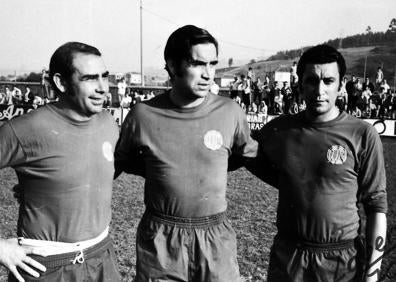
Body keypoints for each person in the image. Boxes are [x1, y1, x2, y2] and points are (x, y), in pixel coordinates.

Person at [115, 25, 257, 282]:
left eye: (212, 64)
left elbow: (245, 156)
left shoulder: (230, 112)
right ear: (172, 64)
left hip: (215, 237)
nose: (208, 74)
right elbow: (119, 162)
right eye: (197, 64)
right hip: (161, 239)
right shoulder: (142, 115)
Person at [248, 44, 387, 282]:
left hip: (341, 262)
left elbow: (376, 208)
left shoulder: (362, 135)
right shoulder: (279, 130)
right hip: (289, 257)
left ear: (341, 85)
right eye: (312, 80)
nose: (319, 90)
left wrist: (372, 275)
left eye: (328, 81)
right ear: (300, 84)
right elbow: (242, 152)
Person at [0, 42, 120, 282]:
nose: (102, 88)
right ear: (61, 82)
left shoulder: (108, 123)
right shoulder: (24, 129)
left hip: (102, 261)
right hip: (46, 268)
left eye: (104, 77)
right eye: (89, 78)